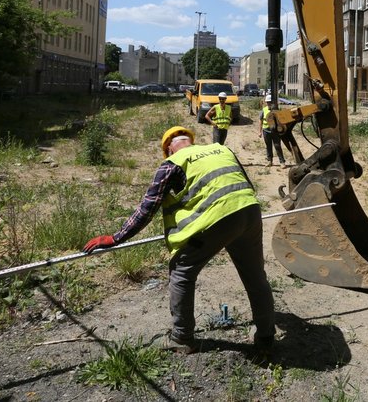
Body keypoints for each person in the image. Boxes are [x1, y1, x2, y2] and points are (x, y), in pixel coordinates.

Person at [82, 126, 275, 354]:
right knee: (255, 276)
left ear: (169, 149)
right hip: (249, 211)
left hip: (218, 218)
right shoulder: (221, 149)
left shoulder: (172, 164)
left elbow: (148, 207)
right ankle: (266, 338)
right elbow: (246, 183)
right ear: (190, 141)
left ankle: (182, 338)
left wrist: (116, 238)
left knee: (182, 271)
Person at [259, 96, 286, 167]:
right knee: (268, 146)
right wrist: (260, 132)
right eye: (267, 102)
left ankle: (282, 162)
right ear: (266, 103)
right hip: (266, 131)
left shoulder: (276, 110)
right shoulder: (264, 110)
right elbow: (260, 120)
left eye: (270, 102)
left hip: (275, 131)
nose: (269, 104)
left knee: (277, 146)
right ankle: (269, 161)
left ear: (272, 102)